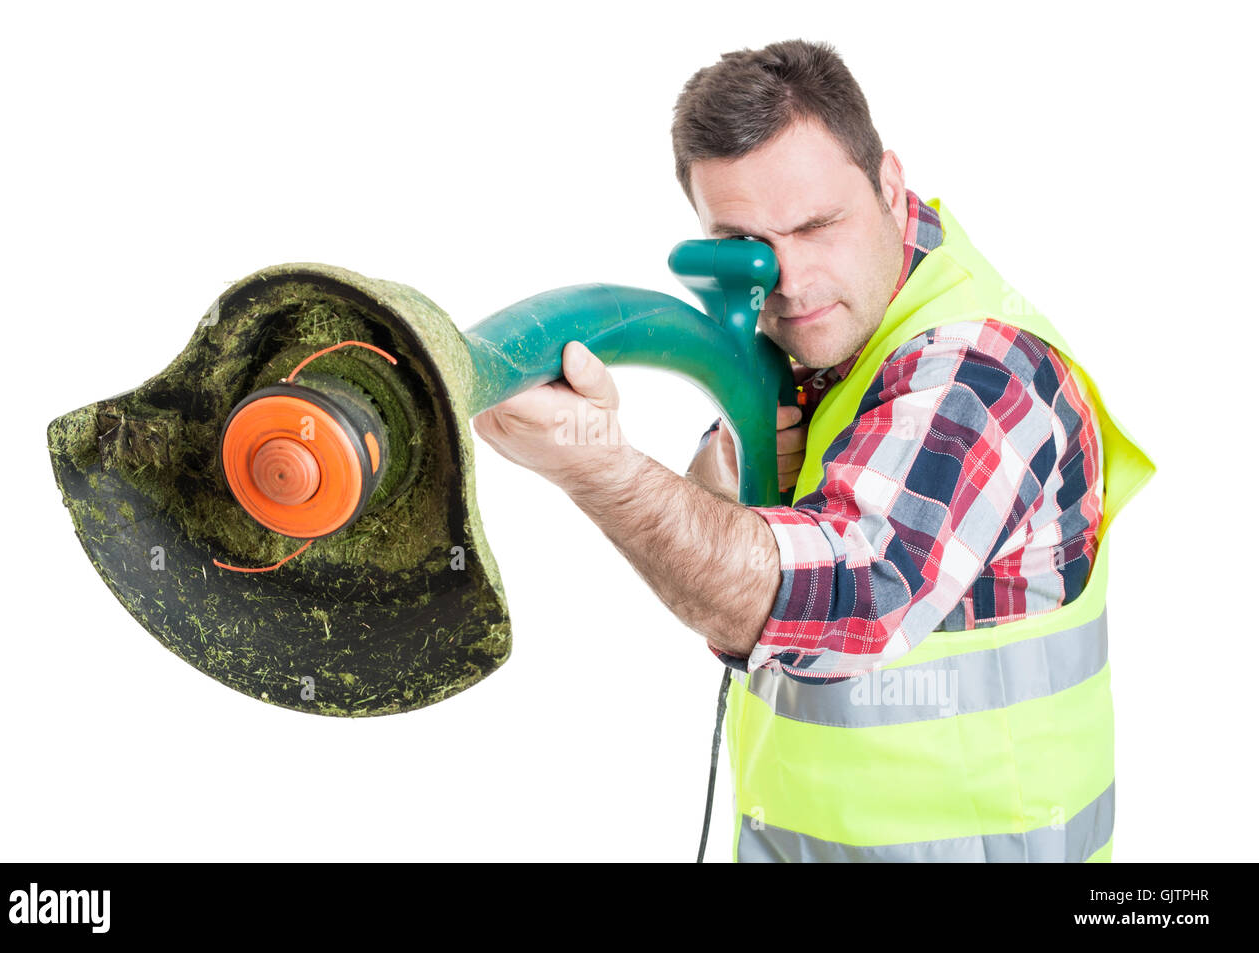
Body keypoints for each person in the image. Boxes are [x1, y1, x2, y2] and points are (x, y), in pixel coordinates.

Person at [473, 38, 1153, 863]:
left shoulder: (977, 373)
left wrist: (599, 468)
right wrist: (724, 474)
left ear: (891, 186)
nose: (788, 281)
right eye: (745, 244)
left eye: (818, 224)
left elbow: (840, 599)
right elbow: (743, 599)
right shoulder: (825, 345)